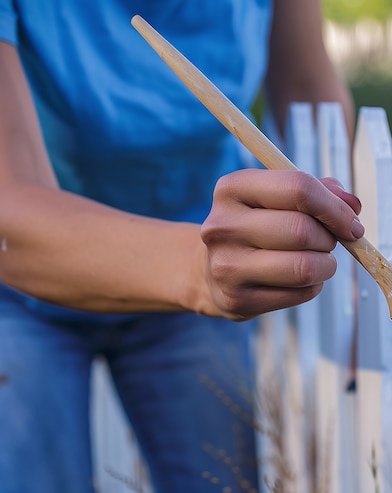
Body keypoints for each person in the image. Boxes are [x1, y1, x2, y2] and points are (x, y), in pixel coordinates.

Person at [0, 1, 362, 492]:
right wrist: (200, 269)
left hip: (200, 271)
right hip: (27, 299)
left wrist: (353, 288)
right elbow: (9, 215)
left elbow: (305, 83)